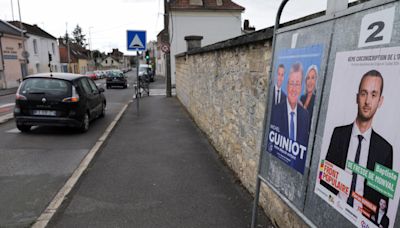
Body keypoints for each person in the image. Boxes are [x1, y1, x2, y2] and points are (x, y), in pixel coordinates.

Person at [322, 69, 393, 220]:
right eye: (363, 93)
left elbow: (382, 203)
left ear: (380, 101)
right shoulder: (338, 134)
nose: (367, 101)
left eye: (373, 95)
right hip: (333, 210)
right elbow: (325, 179)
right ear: (357, 97)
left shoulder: (385, 150)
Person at [271, 62, 310, 147]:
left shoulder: (305, 116)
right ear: (287, 85)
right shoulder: (276, 111)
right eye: (291, 83)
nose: (294, 89)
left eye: (297, 84)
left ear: (301, 87)